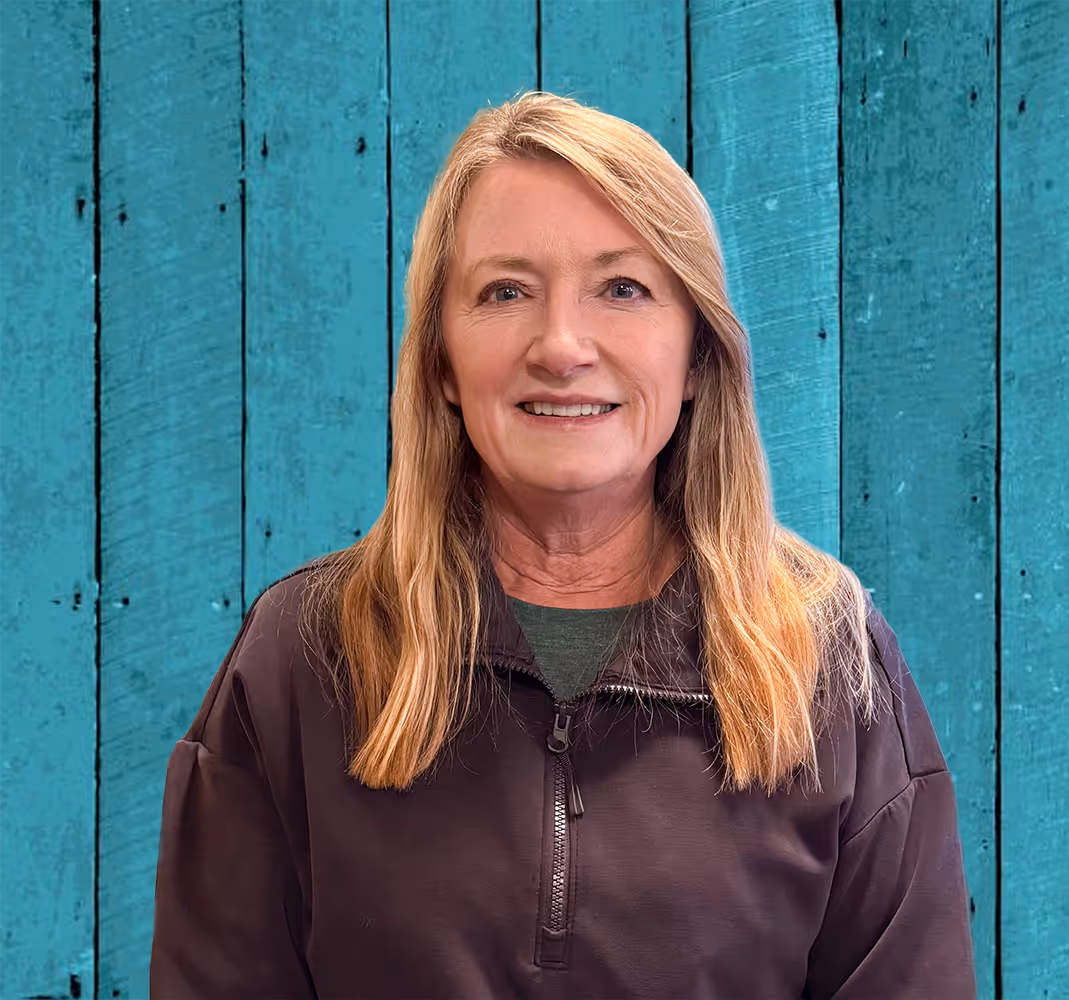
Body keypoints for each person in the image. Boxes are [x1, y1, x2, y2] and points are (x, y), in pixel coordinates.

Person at [150, 91, 978, 998]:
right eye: (505, 292)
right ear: (441, 367)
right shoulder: (299, 658)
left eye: (622, 288)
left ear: (697, 354)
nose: (561, 346)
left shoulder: (831, 660)